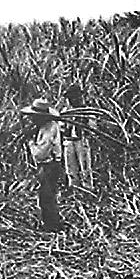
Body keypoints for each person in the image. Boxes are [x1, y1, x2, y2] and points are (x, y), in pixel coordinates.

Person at [21, 97, 66, 231]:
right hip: (48, 165)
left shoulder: (49, 129)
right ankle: (50, 223)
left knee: (47, 196)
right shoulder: (44, 127)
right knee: (46, 195)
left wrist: (30, 143)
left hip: (49, 165)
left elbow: (40, 153)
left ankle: (53, 226)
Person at [60, 83, 93, 192]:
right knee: (70, 167)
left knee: (84, 166)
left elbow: (92, 127)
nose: (73, 100)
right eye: (71, 98)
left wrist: (84, 124)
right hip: (69, 141)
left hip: (81, 141)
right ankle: (74, 189)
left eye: (75, 97)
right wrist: (66, 126)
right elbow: (61, 127)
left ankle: (88, 189)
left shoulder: (87, 111)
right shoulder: (66, 111)